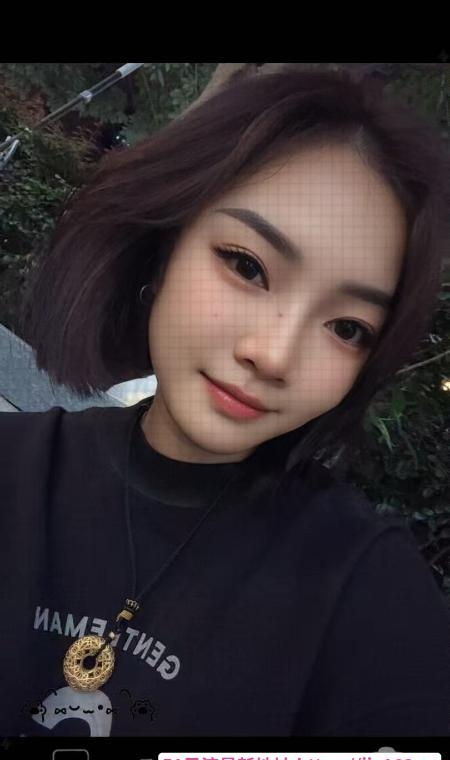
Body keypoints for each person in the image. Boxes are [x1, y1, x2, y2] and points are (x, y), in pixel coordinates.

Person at [1, 64, 449, 738]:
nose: (274, 355)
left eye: (347, 327)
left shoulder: (364, 593)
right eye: (247, 265)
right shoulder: (13, 470)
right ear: (165, 247)